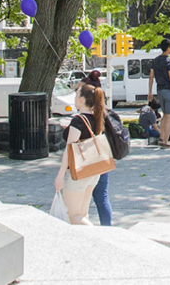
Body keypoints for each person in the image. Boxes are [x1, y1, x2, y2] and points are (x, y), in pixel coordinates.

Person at [54, 84, 107, 225]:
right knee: (83, 214)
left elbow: (69, 149)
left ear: (82, 100)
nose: (75, 98)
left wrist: (59, 176)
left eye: (77, 95)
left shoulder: (78, 120)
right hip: (93, 171)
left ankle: (99, 239)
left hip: (78, 173)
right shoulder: (97, 118)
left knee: (74, 217)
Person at [79, 71, 113, 227]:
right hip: (102, 157)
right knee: (102, 197)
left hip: (87, 160)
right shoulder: (102, 113)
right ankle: (107, 228)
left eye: (79, 91)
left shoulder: (83, 117)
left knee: (79, 197)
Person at [147, 40, 170, 147]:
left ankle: (161, 136)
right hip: (169, 90)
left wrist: (149, 92)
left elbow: (151, 76)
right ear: (168, 48)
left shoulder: (155, 61)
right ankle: (165, 141)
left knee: (164, 115)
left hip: (160, 91)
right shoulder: (169, 61)